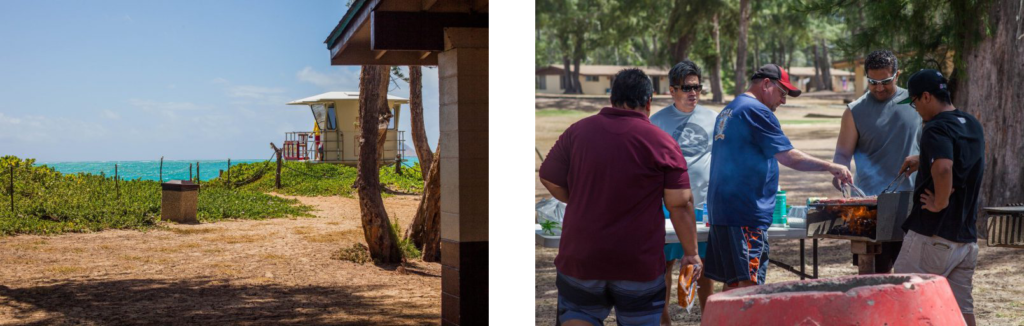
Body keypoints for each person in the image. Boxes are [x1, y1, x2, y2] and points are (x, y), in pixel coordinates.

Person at [539, 68, 702, 326]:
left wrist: (582, 199)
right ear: (648, 102)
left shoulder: (577, 132)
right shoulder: (662, 142)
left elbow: (548, 177)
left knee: (577, 317)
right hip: (637, 264)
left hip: (582, 259)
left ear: (611, 99)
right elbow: (680, 203)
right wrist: (691, 253)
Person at [704, 64, 853, 291]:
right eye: (782, 93)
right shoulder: (757, 110)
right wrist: (831, 166)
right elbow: (789, 157)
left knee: (735, 284)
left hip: (724, 211)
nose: (783, 101)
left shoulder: (731, 108)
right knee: (747, 287)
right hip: (744, 214)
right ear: (766, 84)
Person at [893, 69, 984, 326]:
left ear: (926, 97)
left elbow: (944, 168)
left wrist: (939, 202)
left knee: (904, 298)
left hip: (932, 236)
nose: (915, 108)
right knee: (960, 310)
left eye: (914, 102)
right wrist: (923, 160)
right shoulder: (971, 123)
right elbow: (960, 162)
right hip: (965, 239)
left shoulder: (935, 128)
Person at [832, 50, 921, 273]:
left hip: (912, 201)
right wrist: (839, 172)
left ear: (897, 75)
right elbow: (843, 154)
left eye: (885, 81)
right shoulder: (854, 111)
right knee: (874, 274)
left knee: (910, 275)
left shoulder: (916, 102)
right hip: (871, 205)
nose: (879, 87)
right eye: (873, 82)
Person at [649, 60, 717, 320]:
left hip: (703, 208)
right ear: (672, 91)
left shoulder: (713, 118)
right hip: (667, 208)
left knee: (703, 268)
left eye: (697, 87)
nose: (693, 93)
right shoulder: (657, 121)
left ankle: (708, 321)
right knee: (663, 268)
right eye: (687, 88)